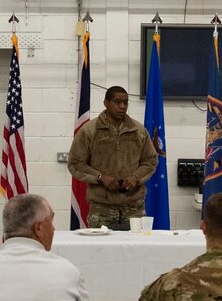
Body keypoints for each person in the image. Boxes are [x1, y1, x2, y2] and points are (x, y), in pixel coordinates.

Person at [67, 85, 159, 229]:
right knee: (100, 249)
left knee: (136, 248)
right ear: (106, 103)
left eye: (126, 102)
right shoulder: (90, 130)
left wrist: (136, 177)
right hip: (101, 207)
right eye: (117, 102)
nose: (122, 106)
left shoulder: (138, 131)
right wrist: (100, 177)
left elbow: (151, 161)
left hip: (133, 206)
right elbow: (75, 163)